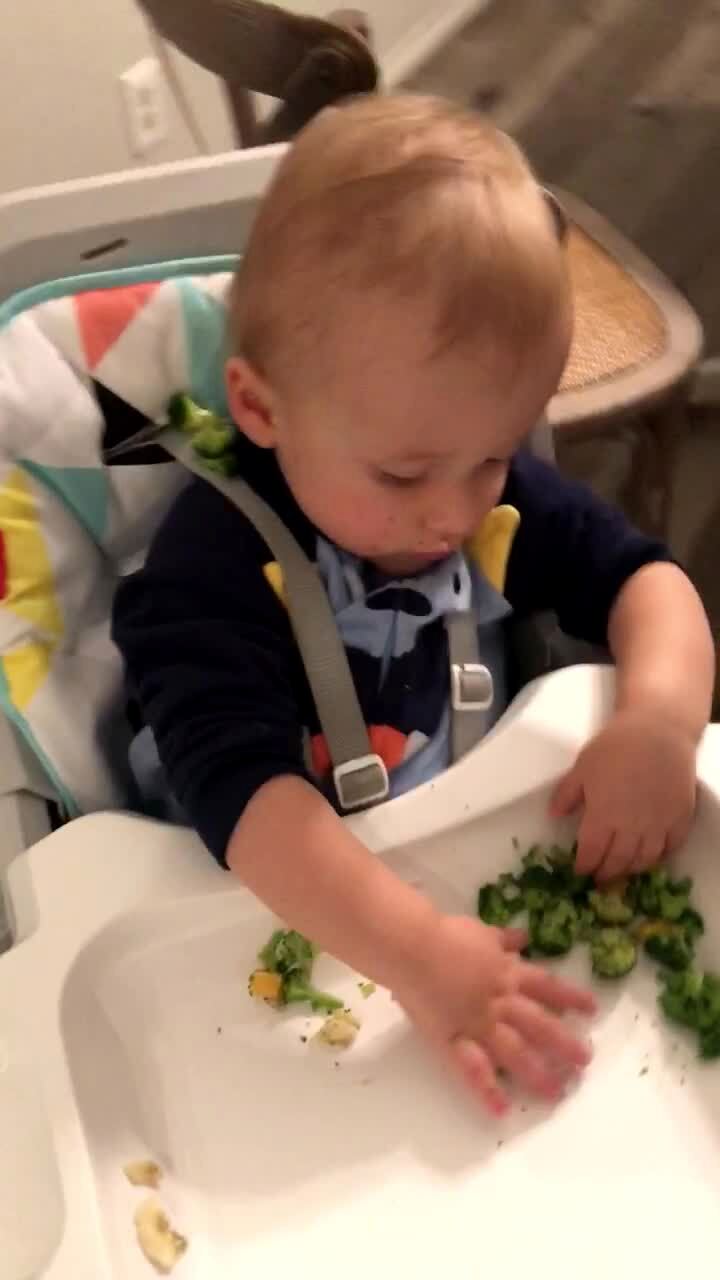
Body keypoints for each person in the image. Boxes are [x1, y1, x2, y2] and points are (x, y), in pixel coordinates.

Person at [113, 94, 714, 1115]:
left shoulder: (483, 497)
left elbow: (646, 584)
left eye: (494, 455)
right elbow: (244, 799)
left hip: (455, 838)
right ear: (260, 407)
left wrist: (660, 722)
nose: (453, 512)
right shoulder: (206, 572)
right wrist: (418, 951)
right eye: (402, 473)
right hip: (247, 907)